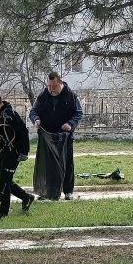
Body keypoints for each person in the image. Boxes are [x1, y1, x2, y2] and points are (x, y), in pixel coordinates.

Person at [0, 89, 35, 219]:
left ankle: (3, 212)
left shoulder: (10, 114)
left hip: (14, 152)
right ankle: (27, 197)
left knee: (4, 182)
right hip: (3, 151)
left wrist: (24, 152)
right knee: (6, 179)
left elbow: (24, 132)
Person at [28, 72, 83, 200]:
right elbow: (33, 111)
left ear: (60, 83)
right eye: (49, 86)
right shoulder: (43, 96)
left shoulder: (71, 96)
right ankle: (46, 192)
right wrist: (36, 119)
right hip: (47, 136)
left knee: (67, 163)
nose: (51, 89)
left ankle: (68, 191)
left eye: (54, 86)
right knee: (48, 165)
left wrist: (70, 124)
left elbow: (79, 114)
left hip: (65, 137)